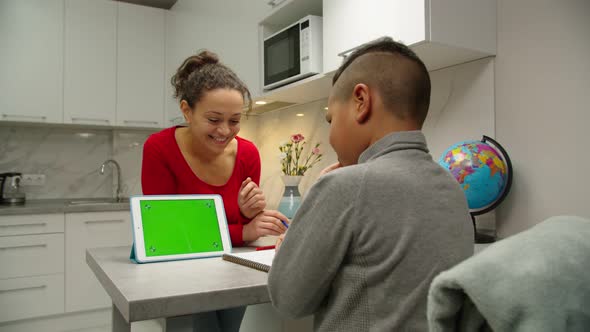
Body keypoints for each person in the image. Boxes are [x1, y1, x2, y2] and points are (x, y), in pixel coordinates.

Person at [268, 37, 474, 331]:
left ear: (360, 102)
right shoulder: (452, 188)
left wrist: (293, 237)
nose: (331, 135)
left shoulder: (343, 186)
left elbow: (288, 299)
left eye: (330, 119)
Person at [141, 50, 288, 331]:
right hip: (181, 276)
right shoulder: (159, 149)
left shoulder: (247, 154)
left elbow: (244, 230)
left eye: (234, 120)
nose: (225, 130)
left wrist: (249, 213)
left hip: (234, 272)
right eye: (214, 119)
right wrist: (244, 230)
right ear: (187, 111)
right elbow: (169, 235)